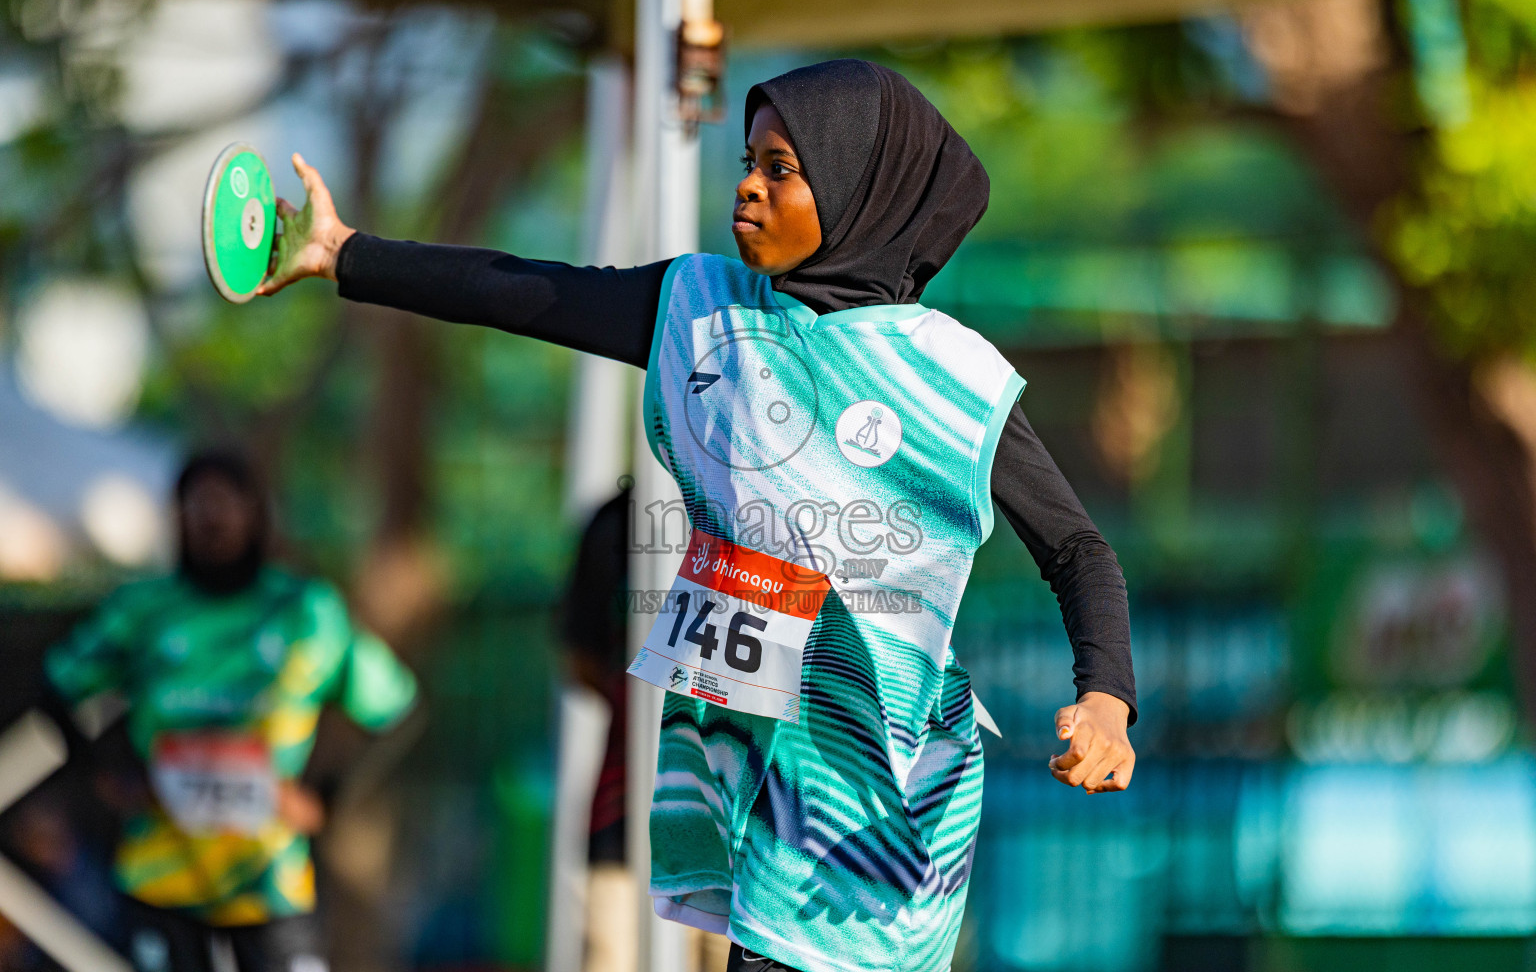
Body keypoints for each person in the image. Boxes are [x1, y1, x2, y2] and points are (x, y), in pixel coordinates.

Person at [257, 60, 1137, 972]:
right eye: (748, 159)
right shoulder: (702, 309)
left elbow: (1077, 548)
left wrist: (1107, 697)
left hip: (881, 809)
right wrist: (344, 252)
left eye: (782, 168)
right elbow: (519, 289)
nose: (748, 184)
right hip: (743, 782)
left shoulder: (953, 379)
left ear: (857, 187)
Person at [36, 450, 419, 972]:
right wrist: (109, 776)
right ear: (178, 518)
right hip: (160, 879)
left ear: (257, 514)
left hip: (270, 883)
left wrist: (325, 796)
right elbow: (56, 690)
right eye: (198, 505)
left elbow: (393, 709)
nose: (213, 519)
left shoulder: (304, 611)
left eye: (227, 504)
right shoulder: (142, 611)